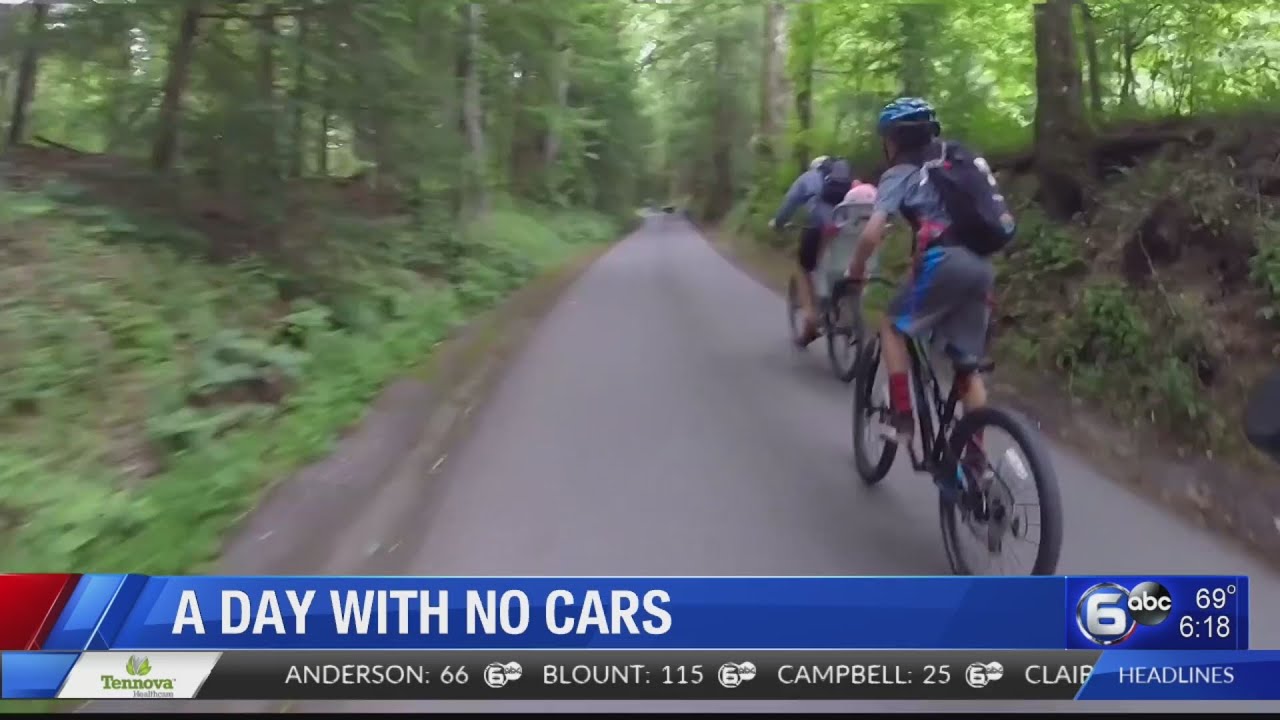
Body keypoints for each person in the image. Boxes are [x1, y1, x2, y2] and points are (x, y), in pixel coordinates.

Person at [844, 97, 995, 481]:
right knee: (966, 367)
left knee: (893, 326)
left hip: (942, 262)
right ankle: (977, 463)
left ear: (892, 140)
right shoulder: (954, 161)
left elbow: (871, 233)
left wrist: (856, 270)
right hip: (980, 266)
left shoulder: (900, 173)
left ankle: (902, 418)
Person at [769, 156, 853, 346]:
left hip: (817, 228)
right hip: (847, 230)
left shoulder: (809, 177)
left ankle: (810, 316)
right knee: (840, 265)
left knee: (804, 268)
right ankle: (844, 307)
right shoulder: (847, 177)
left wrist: (778, 222)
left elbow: (790, 202)